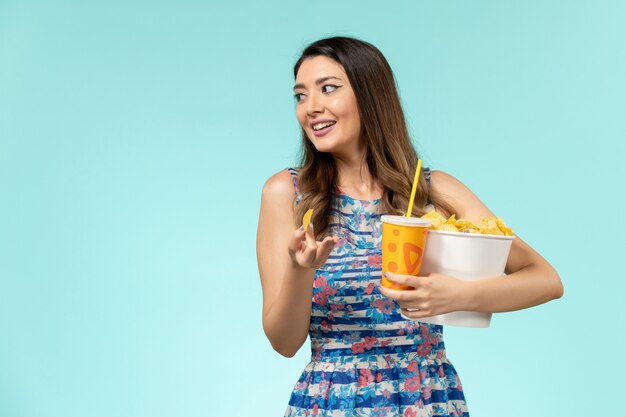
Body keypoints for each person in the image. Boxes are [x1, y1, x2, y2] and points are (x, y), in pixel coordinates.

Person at [256, 36, 563, 417]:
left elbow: (546, 279)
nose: (311, 108)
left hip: (427, 399)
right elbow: (284, 342)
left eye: (328, 89)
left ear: (371, 95)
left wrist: (457, 296)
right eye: (300, 96)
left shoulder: (435, 191)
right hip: (331, 402)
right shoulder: (288, 193)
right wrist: (302, 271)